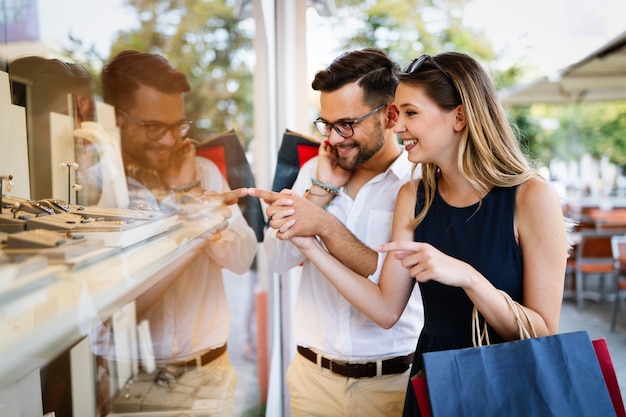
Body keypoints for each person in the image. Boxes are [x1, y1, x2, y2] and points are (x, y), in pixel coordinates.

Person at [257, 51, 570, 417]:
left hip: (506, 388)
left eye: (410, 113)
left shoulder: (532, 196)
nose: (398, 125)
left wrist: (469, 278)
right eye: (398, 113)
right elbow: (385, 308)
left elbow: (544, 333)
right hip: (432, 382)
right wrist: (311, 247)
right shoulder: (415, 195)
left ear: (459, 116)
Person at [253, 48, 424, 417]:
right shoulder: (316, 169)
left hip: (392, 384)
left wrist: (322, 225)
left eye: (346, 123)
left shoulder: (418, 182)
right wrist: (318, 194)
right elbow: (277, 260)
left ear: (389, 114)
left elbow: (390, 287)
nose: (332, 137)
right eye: (326, 123)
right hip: (312, 381)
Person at [101, 50, 258, 415]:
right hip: (130, 382)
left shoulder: (203, 172)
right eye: (153, 127)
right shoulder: (100, 189)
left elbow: (242, 258)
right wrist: (193, 222)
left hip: (208, 379)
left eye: (178, 126)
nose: (170, 141)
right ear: (116, 119)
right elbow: (117, 306)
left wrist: (189, 196)